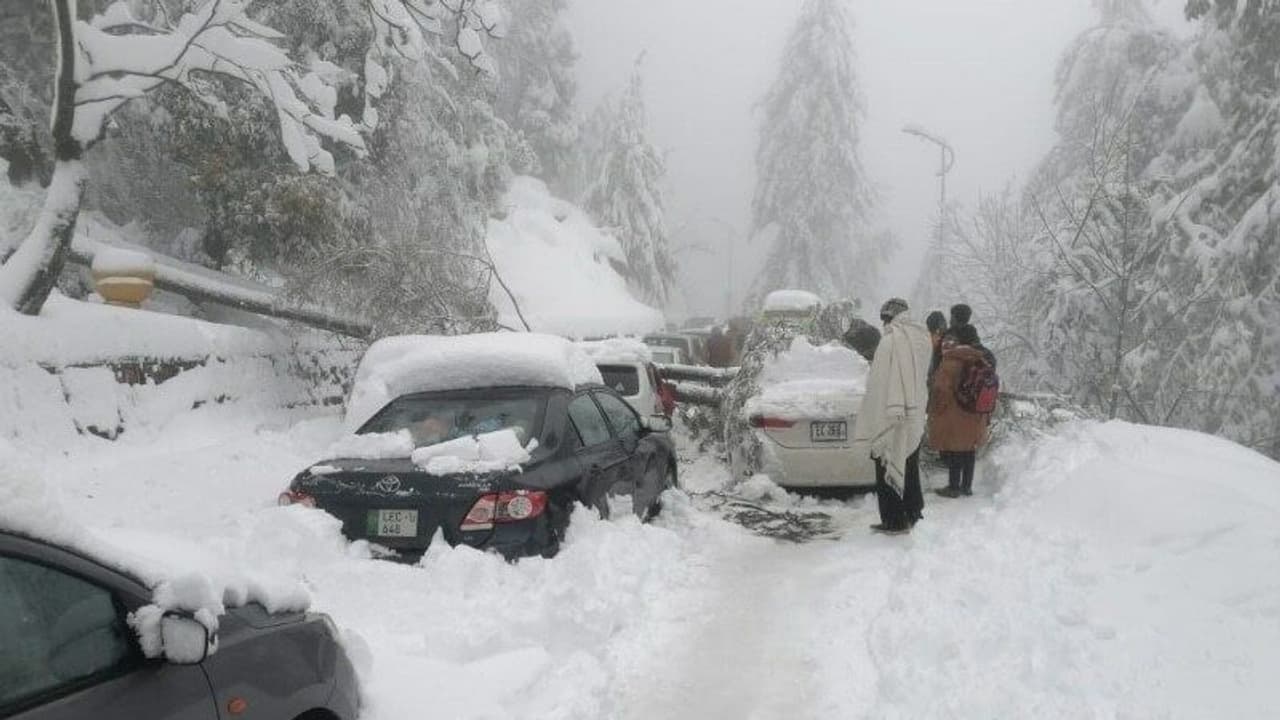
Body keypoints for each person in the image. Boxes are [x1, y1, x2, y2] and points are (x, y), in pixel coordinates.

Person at [852, 298, 933, 535]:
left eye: (884, 318)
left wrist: (875, 413)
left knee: (887, 462)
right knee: (910, 462)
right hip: (915, 411)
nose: (884, 323)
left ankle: (894, 520)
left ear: (889, 317)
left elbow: (879, 384)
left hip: (892, 414)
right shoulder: (921, 337)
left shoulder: (891, 341)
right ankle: (913, 510)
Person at [928, 323, 994, 498]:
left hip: (954, 413)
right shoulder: (979, 358)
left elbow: (941, 391)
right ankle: (966, 486)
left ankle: (953, 487)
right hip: (974, 412)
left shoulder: (950, 361)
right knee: (969, 450)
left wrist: (935, 410)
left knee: (956, 449)